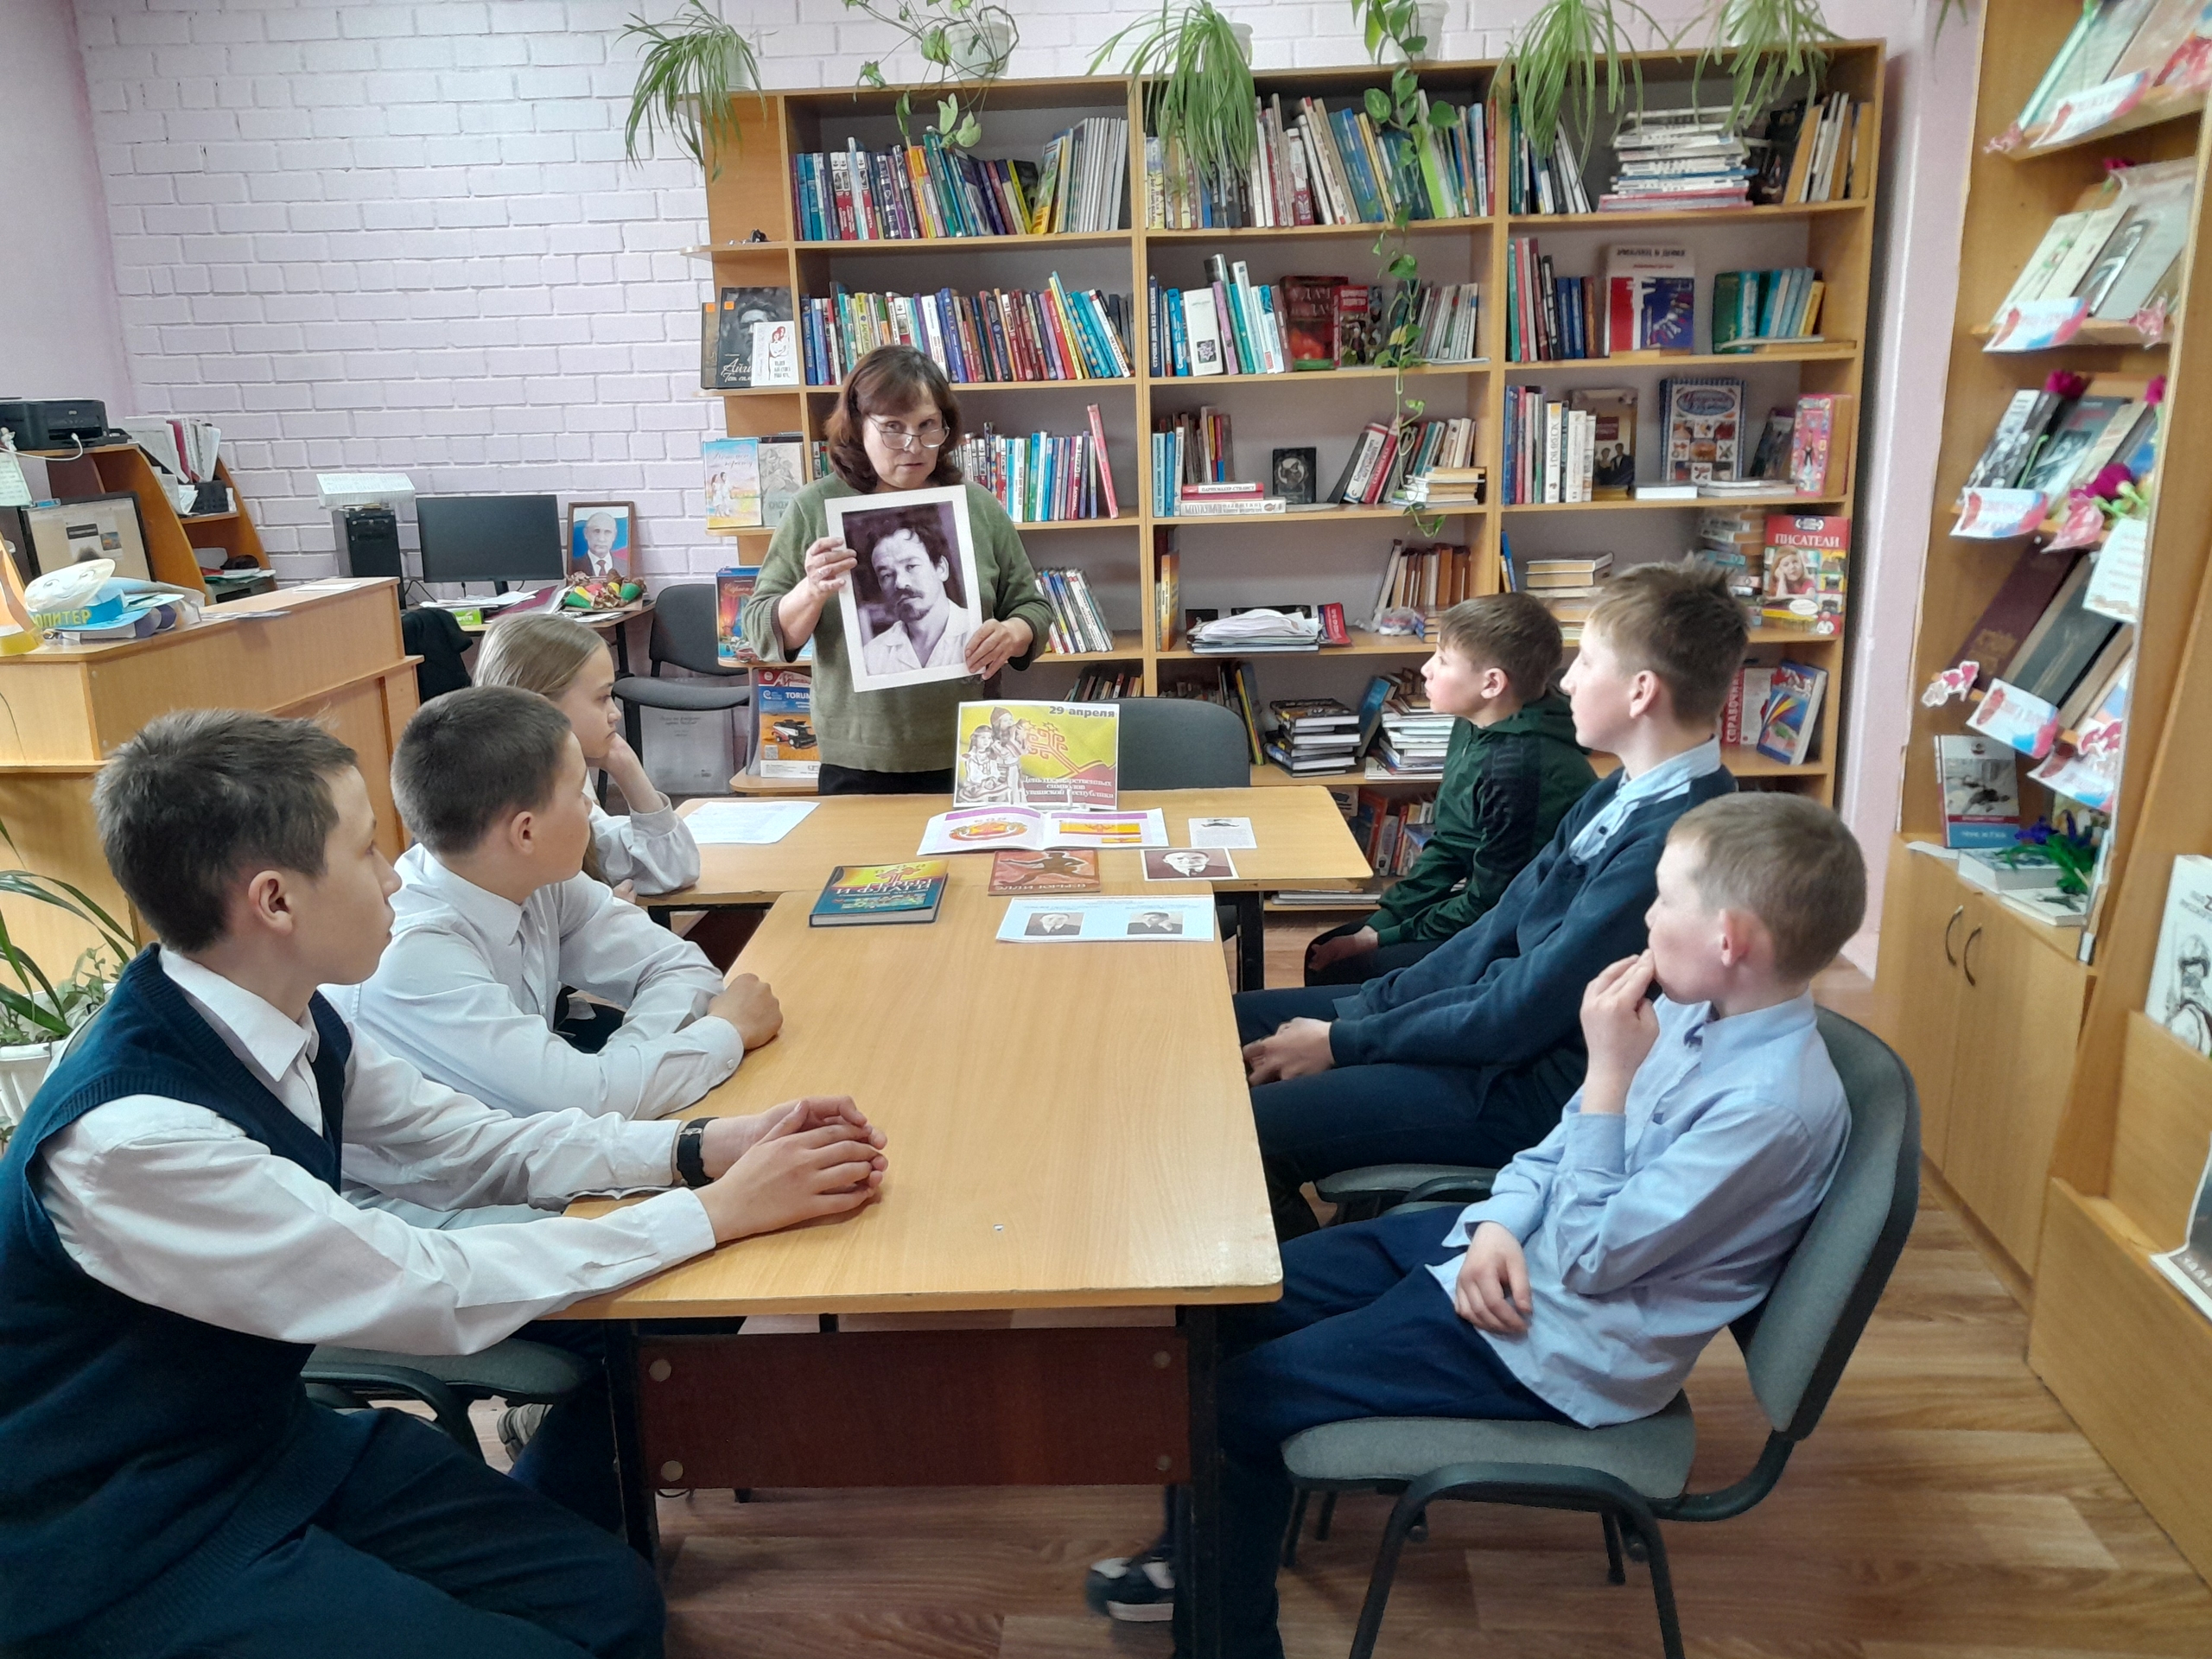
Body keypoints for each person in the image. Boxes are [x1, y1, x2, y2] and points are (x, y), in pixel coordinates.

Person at [0, 709, 887, 1657]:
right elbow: (425, 1286)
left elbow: (474, 1144)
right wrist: (711, 1214)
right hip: (112, 1537)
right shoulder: (134, 1142)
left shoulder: (288, 1019)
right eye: (365, 850)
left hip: (258, 1447)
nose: (394, 876)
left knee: (613, 1602)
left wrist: (698, 1149)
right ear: (275, 902)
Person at [1090, 791, 1866, 1650]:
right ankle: (1200, 1576)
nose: (1646, 918)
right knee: (1220, 1309)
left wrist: (1609, 1076)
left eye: (1665, 900)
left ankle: (1222, 1633)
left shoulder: (1766, 1111)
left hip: (1556, 1340)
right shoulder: (1688, 1010)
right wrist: (1496, 1222)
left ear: (1730, 940)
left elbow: (1592, 1258)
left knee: (1224, 1407)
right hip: (1497, 1251)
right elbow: (1556, 1144)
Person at [1236, 560, 1746, 1240]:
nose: (1566, 681)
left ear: (1641, 691)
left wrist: (1344, 1040)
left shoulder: (1673, 840)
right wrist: (1363, 1012)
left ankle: (1289, 1281)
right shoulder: (1621, 790)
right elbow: (1496, 930)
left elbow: (1523, 1010)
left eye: (1586, 662)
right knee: (1233, 1025)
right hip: (1492, 1036)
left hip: (1529, 1086)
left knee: (1241, 1124)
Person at [334, 689, 779, 1173]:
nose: (589, 807)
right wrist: (724, 1033)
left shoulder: (532, 877)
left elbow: (679, 966)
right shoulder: (415, 956)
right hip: (441, 1203)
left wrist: (622, 1071)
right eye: (577, 793)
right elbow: (582, 1105)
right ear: (525, 832)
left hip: (535, 1165)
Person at [740, 344, 1058, 794]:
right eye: (892, 428)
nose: (914, 446)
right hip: (858, 756)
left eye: (928, 427)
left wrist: (1014, 632)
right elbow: (760, 630)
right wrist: (811, 590)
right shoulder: (814, 507)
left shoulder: (976, 506)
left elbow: (1033, 607)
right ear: (858, 424)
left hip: (970, 748)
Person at [1305, 594, 1593, 988]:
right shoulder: (1477, 721)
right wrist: (1383, 922)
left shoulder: (1518, 768)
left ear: (1492, 683)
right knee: (1329, 951)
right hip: (1492, 910)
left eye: (1442, 659)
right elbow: (1453, 843)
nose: (1426, 669)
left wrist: (1381, 939)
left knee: (1350, 968)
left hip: (1525, 939)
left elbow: (1496, 905)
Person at [475, 611, 700, 898]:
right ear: (543, 710)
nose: (615, 713)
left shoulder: (562, 776)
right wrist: (604, 914)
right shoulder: (507, 813)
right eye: (602, 698)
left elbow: (674, 870)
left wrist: (624, 762)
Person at [856, 516, 975, 675]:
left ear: (941, 568)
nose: (900, 583)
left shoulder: (979, 631)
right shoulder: (872, 657)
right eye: (887, 575)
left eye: (911, 566)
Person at [573, 511, 624, 582]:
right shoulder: (573, 567)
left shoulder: (625, 566)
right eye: (596, 531)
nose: (601, 539)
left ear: (614, 535)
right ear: (586, 533)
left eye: (607, 532)